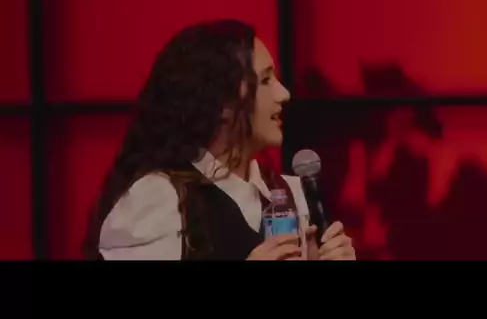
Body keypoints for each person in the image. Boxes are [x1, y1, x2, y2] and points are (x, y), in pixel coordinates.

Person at [82, 19, 356, 260]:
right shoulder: (161, 199)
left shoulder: (288, 194)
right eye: (265, 81)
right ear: (223, 101)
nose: (284, 94)